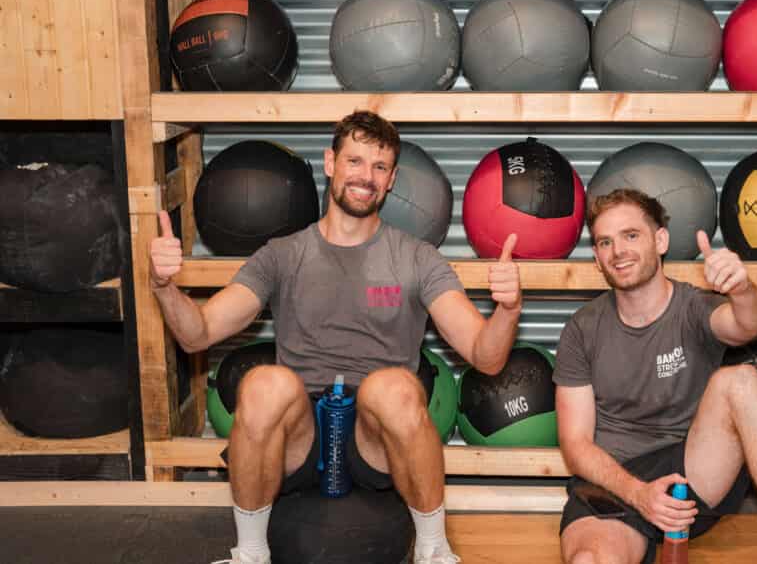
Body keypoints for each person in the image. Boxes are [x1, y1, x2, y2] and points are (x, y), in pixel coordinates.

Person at [149, 112, 522, 564]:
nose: (366, 177)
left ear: (391, 180)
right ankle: (250, 554)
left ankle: (434, 550)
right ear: (330, 163)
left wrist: (508, 309)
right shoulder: (282, 255)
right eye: (355, 161)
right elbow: (199, 333)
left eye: (380, 167)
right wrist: (164, 287)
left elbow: (485, 355)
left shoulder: (417, 258)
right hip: (299, 435)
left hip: (375, 437)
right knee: (264, 383)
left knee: (395, 387)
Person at [554, 188, 757, 564]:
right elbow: (575, 444)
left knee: (741, 381)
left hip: (692, 472)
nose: (618, 251)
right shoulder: (582, 328)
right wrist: (638, 494)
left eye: (631, 235)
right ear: (597, 258)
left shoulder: (694, 307)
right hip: (615, 481)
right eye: (605, 242)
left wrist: (742, 289)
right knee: (589, 561)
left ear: (660, 241)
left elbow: (748, 324)